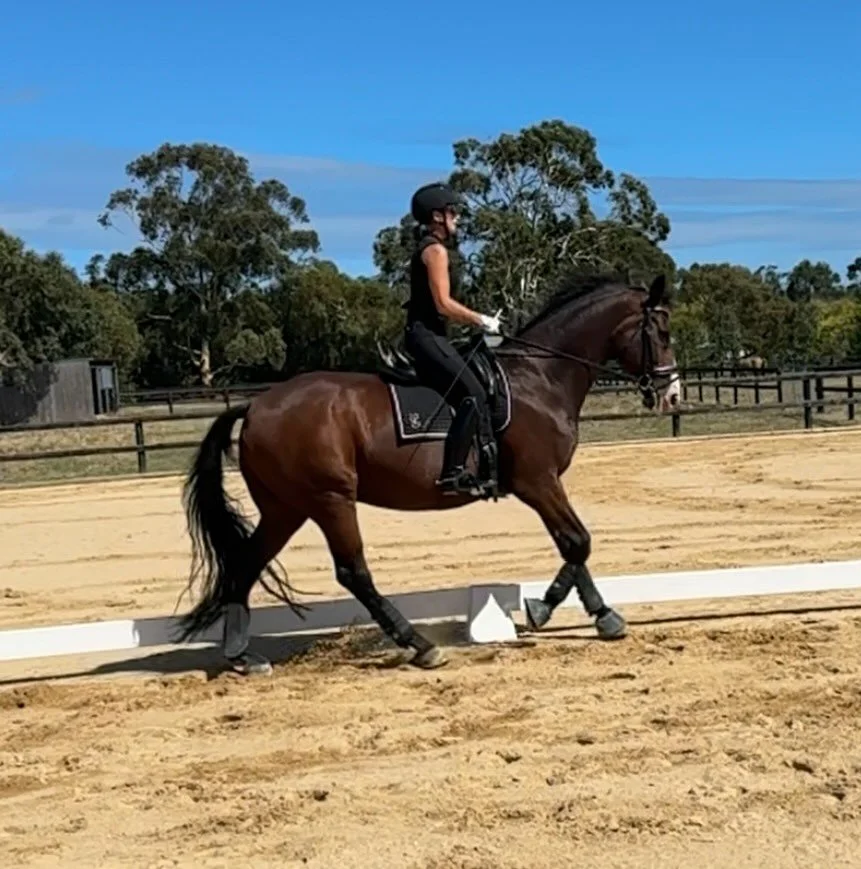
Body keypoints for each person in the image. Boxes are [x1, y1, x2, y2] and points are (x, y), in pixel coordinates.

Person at [403, 182, 502, 495]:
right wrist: (481, 320)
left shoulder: (433, 248)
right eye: (452, 212)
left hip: (432, 335)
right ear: (437, 217)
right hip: (426, 335)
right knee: (473, 392)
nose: (456, 217)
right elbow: (443, 305)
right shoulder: (435, 251)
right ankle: (453, 473)